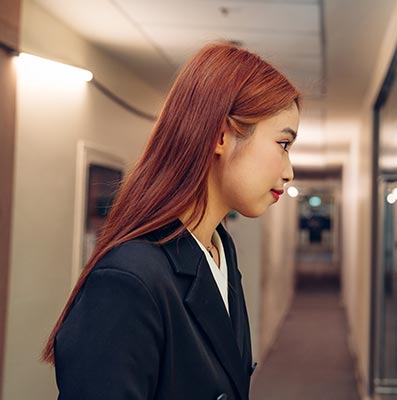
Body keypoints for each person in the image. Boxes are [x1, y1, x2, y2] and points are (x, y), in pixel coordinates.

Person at [41, 42, 300, 400]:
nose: (289, 172)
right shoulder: (129, 280)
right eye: (283, 144)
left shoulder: (221, 249)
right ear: (220, 136)